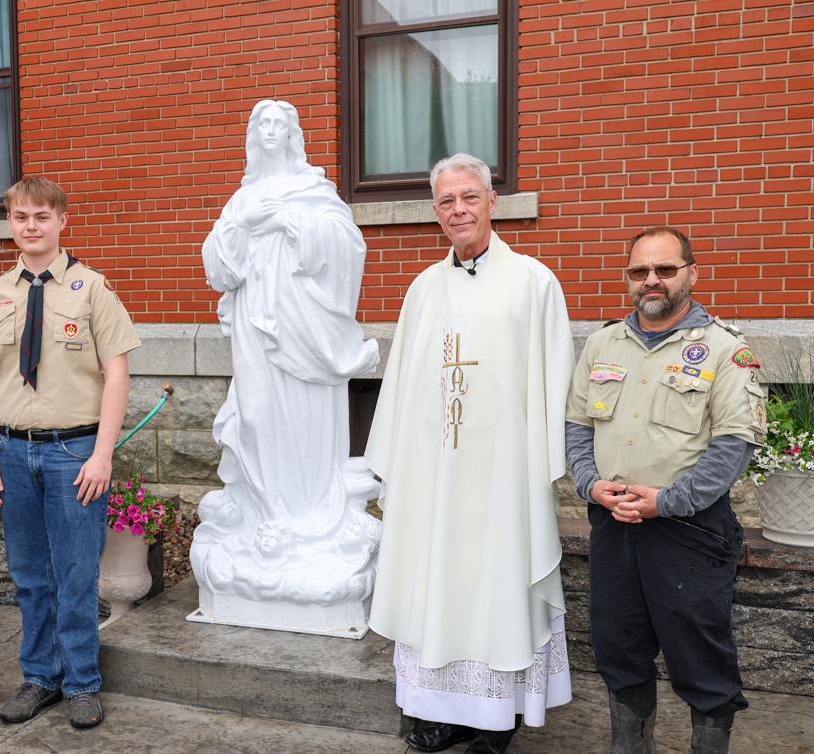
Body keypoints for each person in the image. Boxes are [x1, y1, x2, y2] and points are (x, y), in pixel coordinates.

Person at [366, 154, 574, 754]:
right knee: (436, 587)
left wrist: (542, 464)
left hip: (504, 476)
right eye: (446, 201)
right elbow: (403, 386)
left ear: (491, 202)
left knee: (497, 587)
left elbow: (553, 379)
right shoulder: (423, 290)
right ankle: (446, 713)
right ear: (436, 213)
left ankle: (497, 719)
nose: (458, 210)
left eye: (469, 197)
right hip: (434, 477)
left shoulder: (533, 282)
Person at [565, 226, 765, 754]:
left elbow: (733, 445)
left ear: (691, 274)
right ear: (628, 278)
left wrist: (668, 501)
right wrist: (590, 484)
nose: (651, 280)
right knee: (619, 649)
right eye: (640, 270)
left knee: (701, 659)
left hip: (689, 532)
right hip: (614, 526)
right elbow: (578, 426)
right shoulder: (603, 343)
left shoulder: (725, 349)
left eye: (665, 269)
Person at [191, 99, 380, 614]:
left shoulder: (313, 190)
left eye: (280, 124)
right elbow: (217, 267)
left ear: (293, 135)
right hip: (255, 326)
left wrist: (296, 223)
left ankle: (308, 523)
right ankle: (264, 515)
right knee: (255, 416)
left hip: (303, 325)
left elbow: (349, 246)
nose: (271, 131)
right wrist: (244, 224)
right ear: (253, 136)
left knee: (303, 417)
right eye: (263, 124)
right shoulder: (242, 198)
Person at [0, 176, 138, 729]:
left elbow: (117, 374)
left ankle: (82, 683)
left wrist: (103, 454)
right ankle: (40, 677)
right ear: (10, 223)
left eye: (42, 216)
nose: (31, 226)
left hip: (75, 454)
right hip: (13, 454)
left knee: (75, 575)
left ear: (62, 221)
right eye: (21, 217)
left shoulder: (93, 289)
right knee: (29, 577)